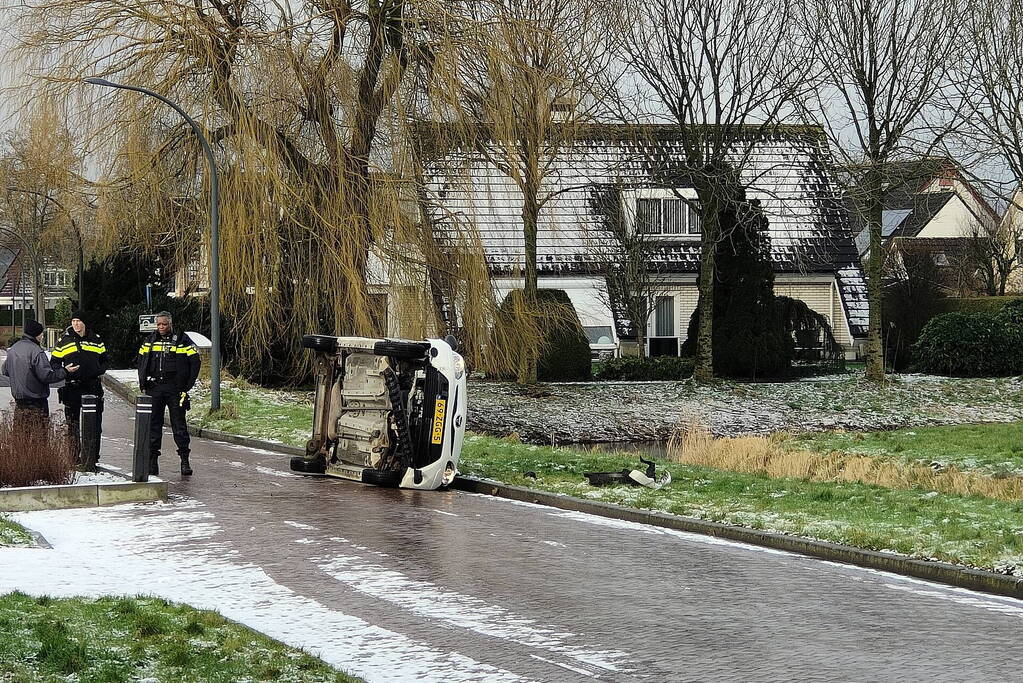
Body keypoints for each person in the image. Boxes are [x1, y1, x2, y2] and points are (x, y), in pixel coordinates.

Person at [137, 311, 200, 476]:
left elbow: (195, 362)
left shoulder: (182, 340)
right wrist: (143, 383)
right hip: (155, 388)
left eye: (164, 324)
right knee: (153, 425)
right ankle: (152, 462)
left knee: (179, 425)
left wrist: (186, 387)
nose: (161, 327)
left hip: (174, 388)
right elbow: (141, 361)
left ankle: (184, 461)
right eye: (158, 324)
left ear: (170, 324)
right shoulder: (150, 340)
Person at [50, 311, 108, 461]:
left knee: (94, 425)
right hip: (72, 387)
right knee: (72, 426)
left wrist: (96, 370)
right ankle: (73, 458)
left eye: (79, 321)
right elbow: (54, 362)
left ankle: (91, 458)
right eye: (73, 321)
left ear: (85, 323)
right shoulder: (64, 341)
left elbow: (105, 361)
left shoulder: (96, 339)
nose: (75, 324)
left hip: (92, 386)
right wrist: (64, 371)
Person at [2, 320, 79, 427]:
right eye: (41, 333)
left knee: (21, 438)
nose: (42, 336)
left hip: (19, 402)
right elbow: (46, 376)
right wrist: (65, 371)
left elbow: (5, 370)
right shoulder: (37, 352)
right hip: (37, 402)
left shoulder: (14, 349)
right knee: (39, 437)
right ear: (36, 335)